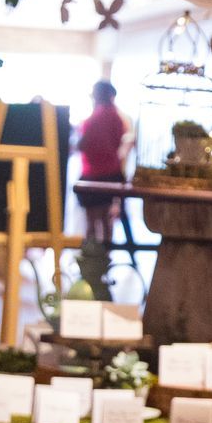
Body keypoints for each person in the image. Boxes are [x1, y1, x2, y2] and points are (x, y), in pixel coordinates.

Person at [73, 77, 131, 298]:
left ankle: (90, 267)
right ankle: (102, 263)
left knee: (92, 222)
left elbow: (84, 144)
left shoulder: (94, 119)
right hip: (110, 174)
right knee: (106, 222)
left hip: (94, 175)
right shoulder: (117, 118)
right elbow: (117, 144)